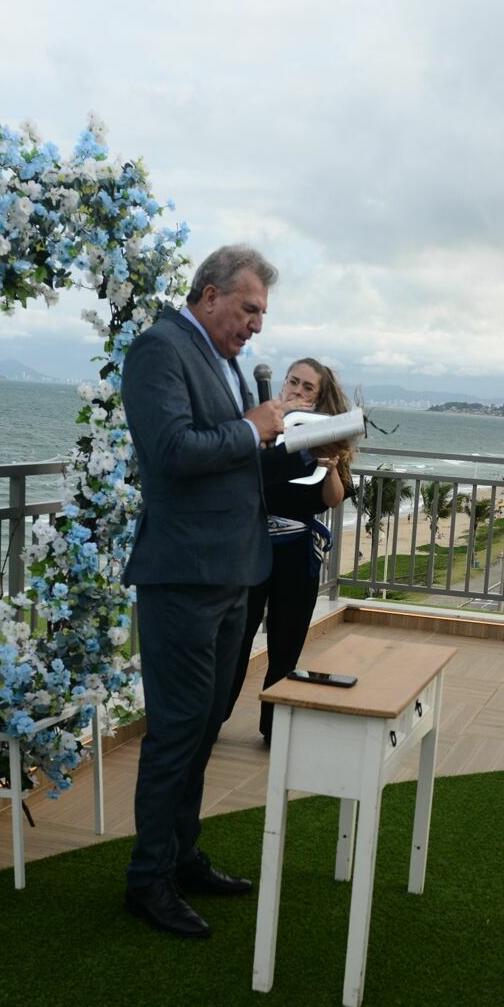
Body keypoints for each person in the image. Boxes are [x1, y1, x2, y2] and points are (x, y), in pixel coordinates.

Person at [119, 244, 287, 940]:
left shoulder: (227, 362)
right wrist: (253, 428)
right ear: (210, 294)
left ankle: (181, 856)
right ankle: (148, 880)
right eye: (248, 309)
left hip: (233, 574)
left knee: (204, 729)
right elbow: (173, 451)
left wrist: (282, 439)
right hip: (183, 578)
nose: (255, 326)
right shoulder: (159, 349)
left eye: (261, 315)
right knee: (176, 733)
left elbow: (230, 453)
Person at [225, 358, 353, 742]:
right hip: (251, 548)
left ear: (320, 396)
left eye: (307, 387)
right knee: (235, 638)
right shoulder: (263, 426)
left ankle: (272, 727)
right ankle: (211, 719)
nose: (296, 391)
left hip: (296, 551)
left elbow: (333, 498)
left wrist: (330, 467)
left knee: (286, 642)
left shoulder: (324, 434)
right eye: (292, 382)